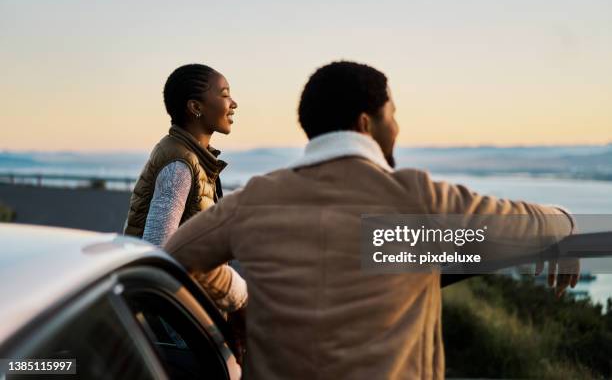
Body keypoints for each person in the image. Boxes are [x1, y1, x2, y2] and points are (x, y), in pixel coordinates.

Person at [164, 61, 577, 379]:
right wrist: (565, 226)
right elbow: (521, 222)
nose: (396, 127)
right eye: (391, 115)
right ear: (366, 123)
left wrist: (241, 300)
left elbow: (175, 255)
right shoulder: (416, 197)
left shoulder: (257, 198)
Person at [124, 63, 246, 313]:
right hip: (177, 323)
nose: (233, 103)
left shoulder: (191, 157)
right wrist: (232, 290)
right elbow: (160, 251)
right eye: (224, 94)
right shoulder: (180, 164)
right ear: (195, 107)